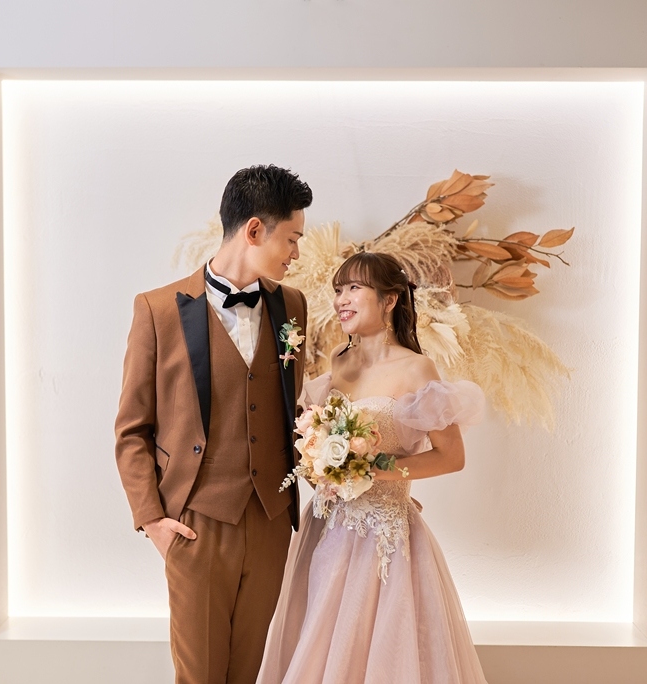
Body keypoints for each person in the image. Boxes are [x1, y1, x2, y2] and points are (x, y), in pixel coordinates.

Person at [115, 165, 312, 684]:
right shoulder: (157, 309)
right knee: (200, 675)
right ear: (254, 230)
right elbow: (132, 429)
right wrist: (153, 521)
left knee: (251, 673)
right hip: (195, 524)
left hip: (270, 520)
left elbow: (292, 410)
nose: (296, 253)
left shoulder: (293, 306)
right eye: (292, 239)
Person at [257, 251, 489, 684]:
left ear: (390, 299)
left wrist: (379, 472)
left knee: (378, 648)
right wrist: (320, 462)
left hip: (383, 536)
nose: (341, 299)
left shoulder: (417, 368)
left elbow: (451, 457)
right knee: (319, 643)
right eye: (338, 290)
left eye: (354, 288)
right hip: (326, 527)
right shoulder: (337, 363)